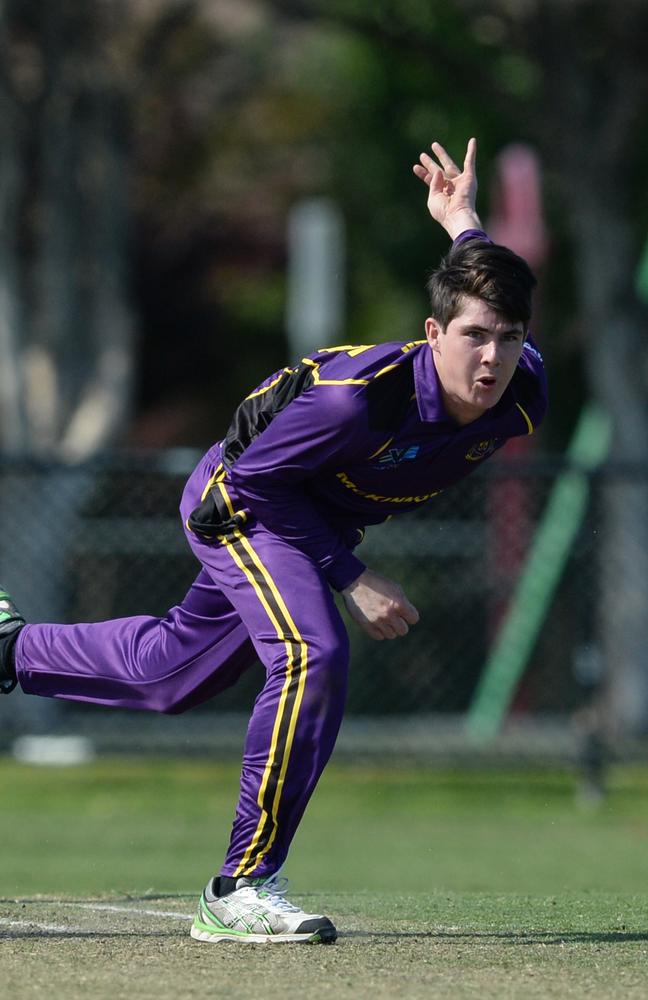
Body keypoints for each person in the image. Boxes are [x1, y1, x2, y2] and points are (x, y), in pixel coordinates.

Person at [0, 138, 546, 944]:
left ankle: (8, 651)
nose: (493, 356)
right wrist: (350, 576)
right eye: (473, 337)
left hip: (303, 513)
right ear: (433, 332)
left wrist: (462, 221)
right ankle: (241, 885)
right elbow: (252, 486)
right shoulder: (357, 404)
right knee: (313, 654)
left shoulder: (521, 386)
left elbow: (484, 284)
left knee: (171, 674)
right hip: (243, 498)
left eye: (507, 337)